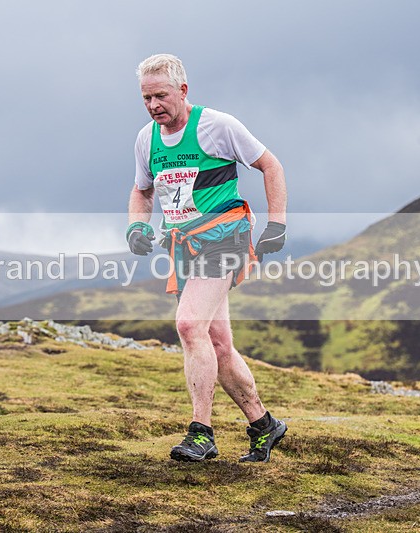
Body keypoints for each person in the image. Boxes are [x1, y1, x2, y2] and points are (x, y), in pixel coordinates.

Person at [126, 53, 288, 462]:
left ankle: (202, 433)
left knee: (187, 324)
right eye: (146, 98)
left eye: (160, 95)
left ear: (183, 90)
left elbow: (270, 166)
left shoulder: (218, 126)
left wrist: (277, 224)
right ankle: (264, 424)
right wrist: (136, 226)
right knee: (218, 345)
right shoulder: (147, 139)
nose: (153, 105)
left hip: (225, 238)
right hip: (184, 247)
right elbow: (142, 191)